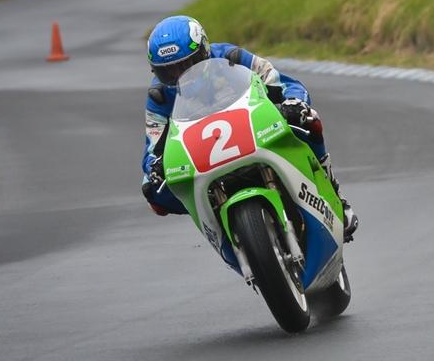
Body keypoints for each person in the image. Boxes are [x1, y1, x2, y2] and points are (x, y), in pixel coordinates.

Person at [141, 15, 359, 242]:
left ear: (204, 52)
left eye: (186, 66)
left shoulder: (231, 57)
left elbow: (281, 81)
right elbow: (152, 145)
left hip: (252, 128)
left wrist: (292, 102)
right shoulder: (158, 96)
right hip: (201, 153)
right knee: (153, 192)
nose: (179, 77)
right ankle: (220, 228)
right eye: (168, 72)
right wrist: (155, 166)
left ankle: (334, 193)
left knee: (307, 120)